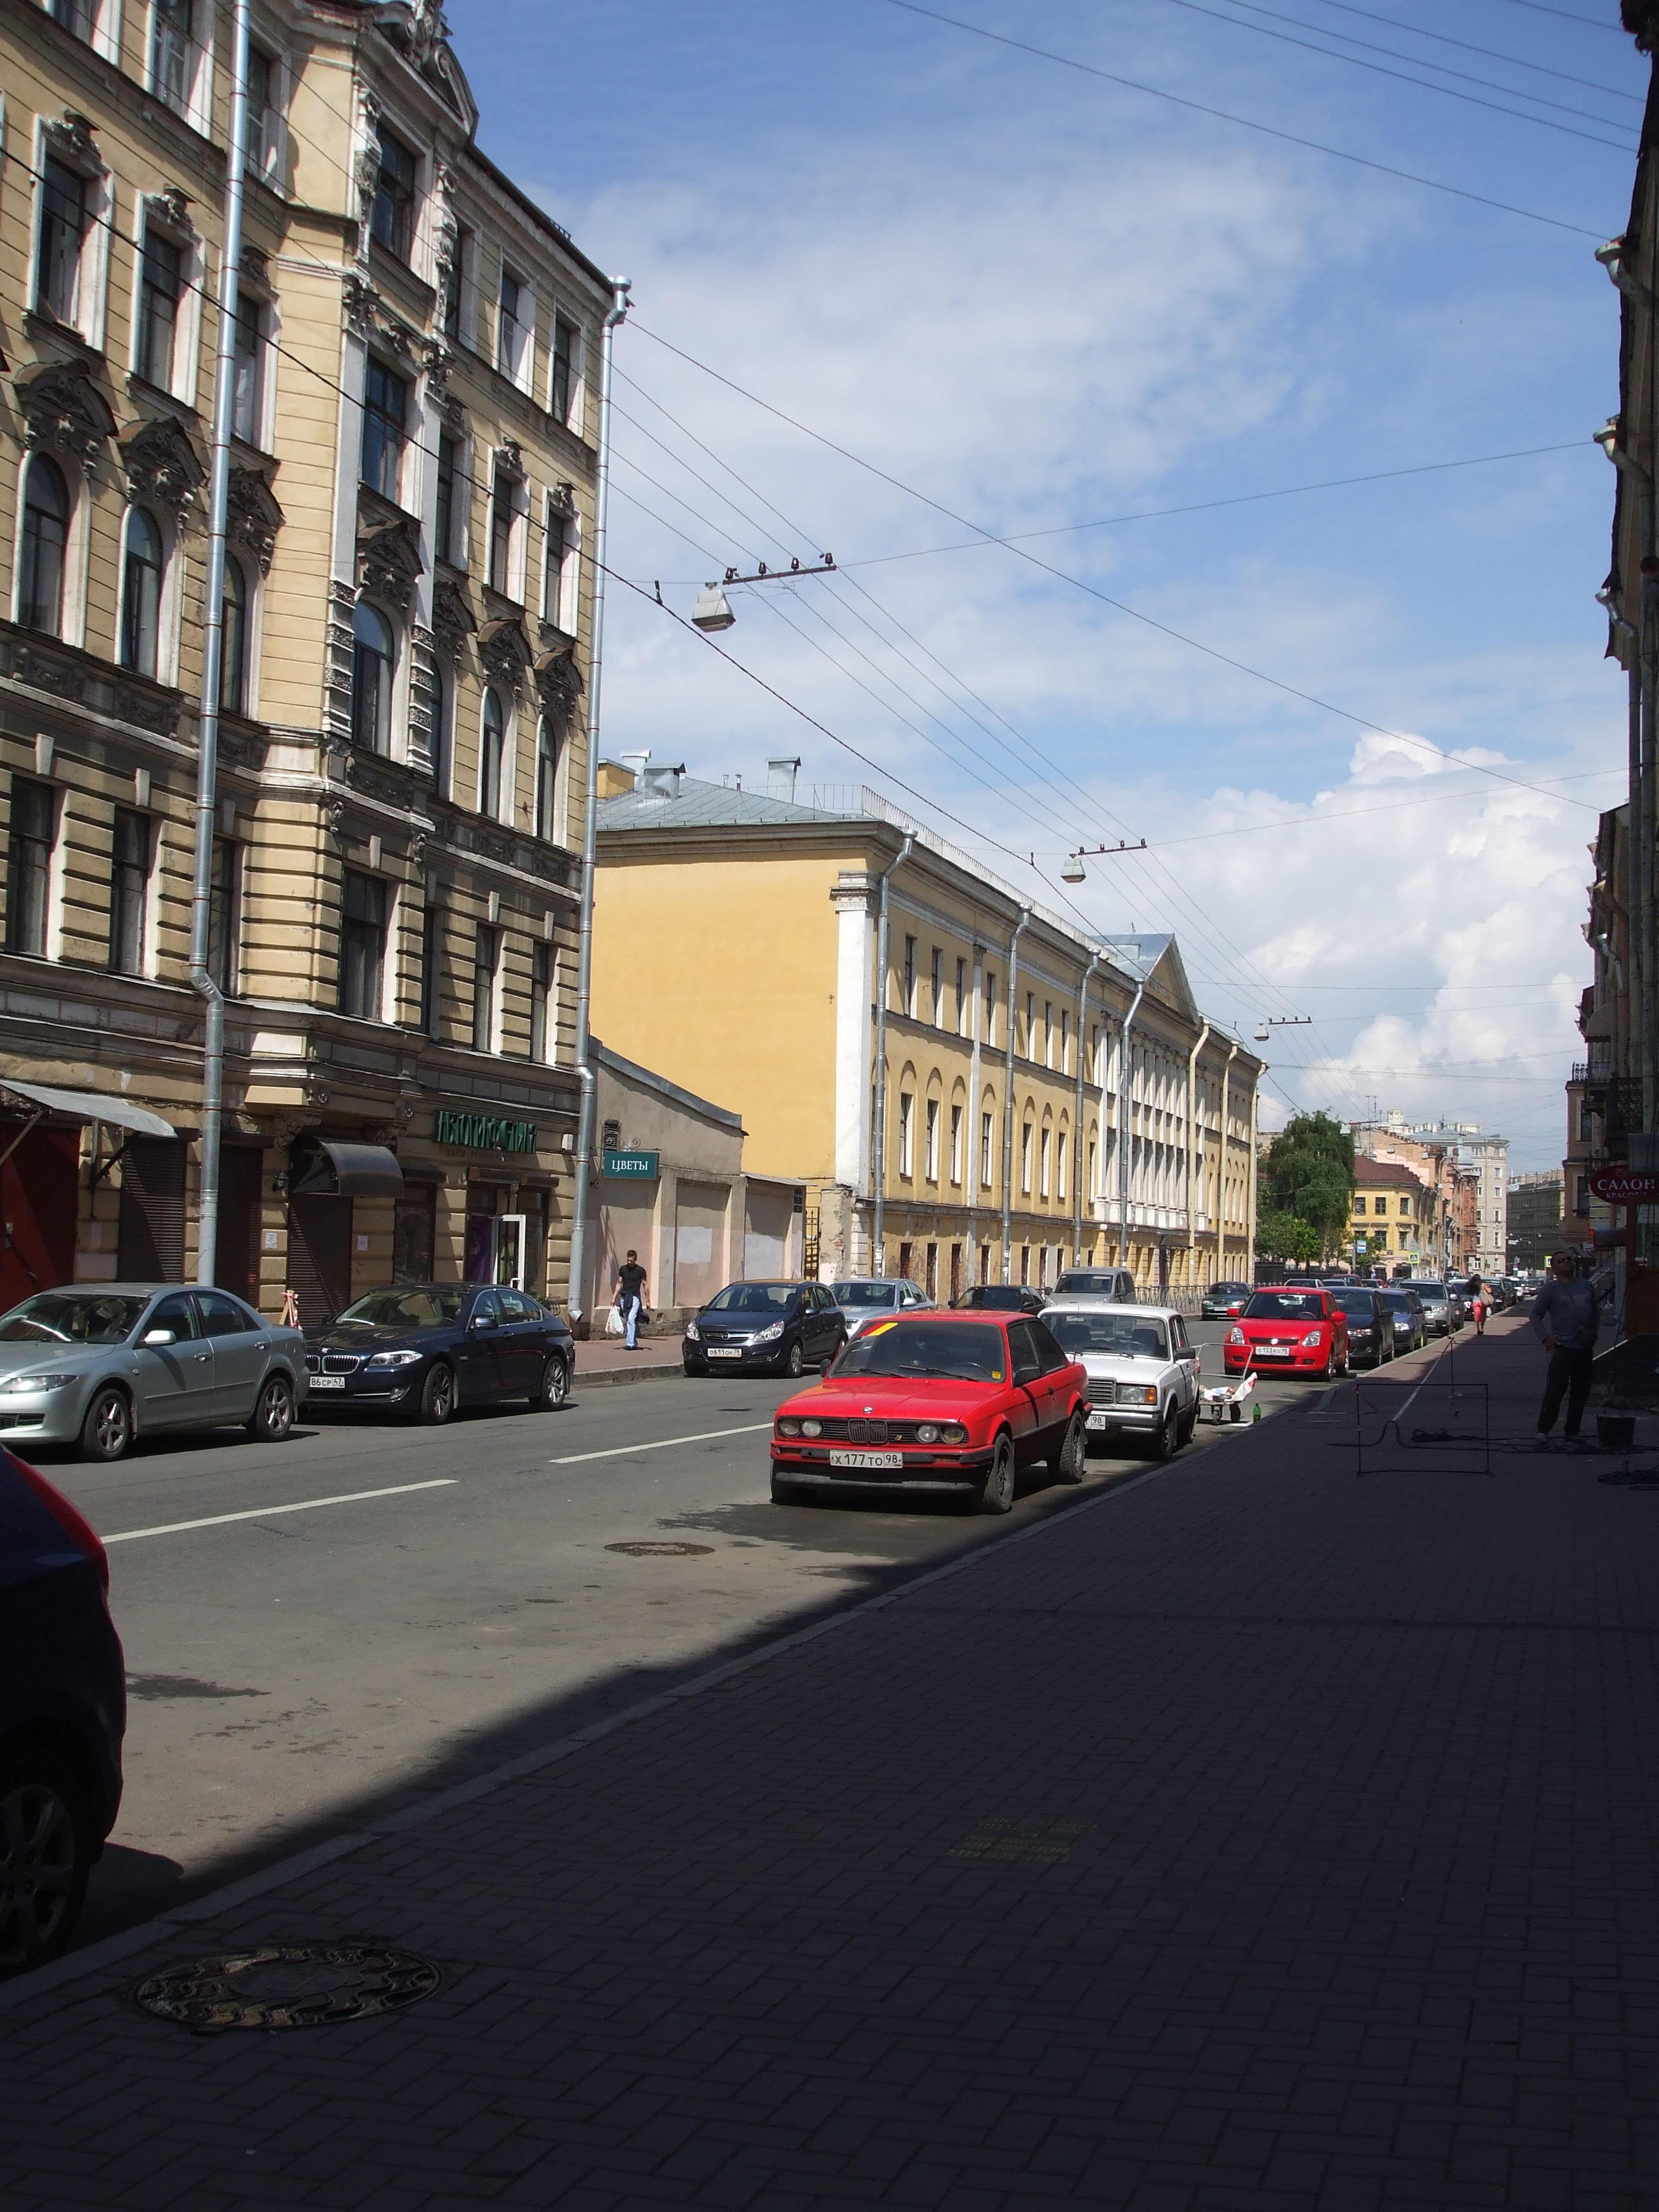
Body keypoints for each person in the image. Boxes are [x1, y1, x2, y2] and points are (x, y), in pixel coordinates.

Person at [1530, 1253, 1603, 1449]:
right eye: (1561, 1261)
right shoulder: (1550, 1290)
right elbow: (1536, 1315)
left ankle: (1572, 1432)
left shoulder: (1586, 1286)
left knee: (1581, 1392)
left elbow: (1595, 1312)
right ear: (1554, 1268)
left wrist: (1594, 1332)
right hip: (1562, 1347)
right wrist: (1545, 1338)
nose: (1566, 1262)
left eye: (1568, 1259)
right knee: (1555, 1391)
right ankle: (1543, 1430)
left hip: (1584, 1347)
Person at [613, 1249, 648, 1351]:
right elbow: (619, 1283)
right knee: (628, 1320)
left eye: (631, 1261)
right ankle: (634, 1342)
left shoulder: (640, 1271)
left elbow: (645, 1284)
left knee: (632, 1319)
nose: (629, 1262)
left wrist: (648, 1300)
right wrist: (614, 1297)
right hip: (625, 1297)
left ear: (635, 1260)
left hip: (635, 1297)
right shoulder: (623, 1269)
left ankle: (630, 1343)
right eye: (628, 1260)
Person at [1467, 1272, 1486, 1336]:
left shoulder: (1473, 1285)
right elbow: (1490, 1291)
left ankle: (1478, 1328)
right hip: (1483, 1302)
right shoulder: (1483, 1285)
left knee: (1477, 1315)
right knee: (1482, 1316)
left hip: (1476, 1301)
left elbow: (1467, 1291)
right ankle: (1482, 1328)